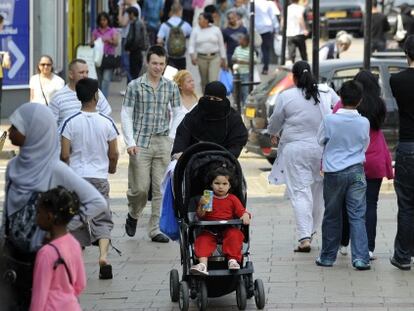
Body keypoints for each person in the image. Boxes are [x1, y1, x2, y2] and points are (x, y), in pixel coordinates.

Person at [0, 103, 107, 310]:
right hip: (11, 258)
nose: (10, 132)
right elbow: (8, 210)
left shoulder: (54, 169)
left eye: (16, 127)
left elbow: (97, 202)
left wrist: (61, 227)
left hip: (42, 260)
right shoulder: (13, 166)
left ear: (34, 131)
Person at [267, 61, 338, 252]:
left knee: (300, 192)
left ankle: (304, 236)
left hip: (295, 149)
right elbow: (339, 108)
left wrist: (273, 132)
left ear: (294, 77)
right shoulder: (325, 92)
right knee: (317, 193)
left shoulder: (287, 96)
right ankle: (312, 230)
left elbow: (275, 121)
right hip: (322, 149)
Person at [60, 78, 119, 279]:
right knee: (102, 217)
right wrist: (111, 168)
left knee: (76, 219)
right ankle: (103, 257)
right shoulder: (107, 122)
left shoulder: (70, 122)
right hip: (99, 178)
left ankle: (75, 264)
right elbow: (114, 153)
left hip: (76, 178)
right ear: (96, 96)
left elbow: (65, 154)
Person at [121, 45, 181, 243]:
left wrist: (171, 137)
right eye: (154, 63)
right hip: (140, 142)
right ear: (147, 62)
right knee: (140, 188)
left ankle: (155, 229)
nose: (158, 67)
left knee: (160, 188)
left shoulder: (170, 86)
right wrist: (129, 142)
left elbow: (178, 111)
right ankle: (133, 213)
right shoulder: (135, 86)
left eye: (161, 64)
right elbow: (126, 115)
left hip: (163, 141)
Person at [333, 70, 393, 260]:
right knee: (370, 204)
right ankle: (368, 248)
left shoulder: (342, 104)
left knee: (346, 202)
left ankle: (343, 243)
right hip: (373, 161)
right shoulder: (379, 105)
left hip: (350, 161)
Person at [316, 80, 371, 270]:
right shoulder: (364, 122)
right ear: (360, 100)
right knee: (357, 215)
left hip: (334, 172)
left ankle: (327, 257)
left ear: (340, 97)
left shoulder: (329, 120)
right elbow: (365, 145)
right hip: (356, 171)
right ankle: (361, 258)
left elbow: (320, 140)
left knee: (332, 215)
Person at [30, 187, 86, 311]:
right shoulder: (74, 243)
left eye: (39, 212)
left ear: (50, 216)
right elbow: (80, 283)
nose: (36, 216)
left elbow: (39, 295)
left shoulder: (46, 253)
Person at [189, 167, 251, 275]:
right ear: (211, 184)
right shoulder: (208, 197)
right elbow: (201, 215)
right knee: (202, 240)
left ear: (229, 185)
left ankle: (233, 260)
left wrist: (245, 215)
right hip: (209, 230)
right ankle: (202, 264)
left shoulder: (232, 199)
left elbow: (241, 211)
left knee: (235, 235)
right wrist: (202, 205)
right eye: (217, 183)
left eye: (224, 184)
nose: (220, 187)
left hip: (228, 228)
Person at [172, 81, 248, 159]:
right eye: (208, 98)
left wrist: (227, 157)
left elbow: (237, 141)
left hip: (223, 162)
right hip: (194, 161)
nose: (211, 101)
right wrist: (180, 153)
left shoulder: (232, 118)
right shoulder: (195, 114)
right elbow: (182, 134)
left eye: (215, 99)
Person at [389, 35, 414, 270]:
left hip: (408, 146)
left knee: (406, 205)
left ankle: (403, 256)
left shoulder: (397, 81)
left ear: (406, 53)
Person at [49, 59, 112, 128]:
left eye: (87, 72)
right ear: (71, 74)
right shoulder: (58, 98)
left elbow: (107, 118)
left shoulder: (96, 92)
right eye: (81, 72)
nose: (85, 75)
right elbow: (51, 126)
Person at [188, 12, 227, 92]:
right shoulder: (195, 30)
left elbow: (221, 45)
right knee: (204, 81)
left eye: (200, 19)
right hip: (201, 58)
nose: (198, 21)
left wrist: (223, 58)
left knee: (213, 80)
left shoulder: (216, 30)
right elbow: (191, 45)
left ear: (206, 20)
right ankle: (205, 98)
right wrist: (192, 56)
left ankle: (214, 98)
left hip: (215, 58)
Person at [157, 2, 192, 70]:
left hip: (169, 56)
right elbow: (192, 35)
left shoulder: (165, 25)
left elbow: (159, 40)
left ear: (171, 11)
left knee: (169, 78)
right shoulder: (185, 25)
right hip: (181, 57)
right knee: (181, 78)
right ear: (180, 11)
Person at [92, 12, 119, 98]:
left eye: (104, 20)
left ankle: (104, 99)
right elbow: (91, 43)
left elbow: (116, 43)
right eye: (101, 20)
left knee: (106, 80)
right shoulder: (96, 31)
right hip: (98, 58)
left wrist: (108, 40)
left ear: (107, 20)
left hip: (109, 57)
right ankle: (99, 98)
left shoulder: (112, 31)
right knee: (99, 80)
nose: (102, 22)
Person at [117, 0, 142, 92]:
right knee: (129, 65)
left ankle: (132, 88)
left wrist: (120, 9)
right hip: (130, 40)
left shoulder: (131, 10)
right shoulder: (136, 7)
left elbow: (122, 23)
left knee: (126, 64)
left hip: (127, 39)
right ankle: (130, 88)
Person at [170, 70, 198, 139]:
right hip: (174, 137)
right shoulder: (172, 100)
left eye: (193, 81)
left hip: (193, 138)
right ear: (180, 86)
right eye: (189, 81)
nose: (192, 83)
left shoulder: (199, 100)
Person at [232, 34, 258, 107]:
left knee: (245, 91)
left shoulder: (251, 50)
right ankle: (236, 105)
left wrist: (244, 62)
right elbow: (233, 58)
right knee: (236, 90)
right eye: (240, 40)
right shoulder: (237, 48)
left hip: (246, 73)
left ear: (247, 42)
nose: (241, 41)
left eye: (243, 40)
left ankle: (244, 106)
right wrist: (236, 60)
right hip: (237, 73)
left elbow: (255, 61)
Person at [125, 6, 149, 81]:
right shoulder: (137, 23)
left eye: (129, 14)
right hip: (137, 51)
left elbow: (136, 39)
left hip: (136, 52)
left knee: (135, 72)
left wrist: (130, 48)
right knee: (136, 72)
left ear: (132, 14)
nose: (128, 16)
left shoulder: (136, 23)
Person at [255, 0, 280, 74]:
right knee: (265, 49)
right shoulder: (269, 3)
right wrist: (276, 28)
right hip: (267, 28)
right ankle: (265, 68)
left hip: (256, 28)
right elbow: (273, 16)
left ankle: (254, 65)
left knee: (254, 48)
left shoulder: (252, 3)